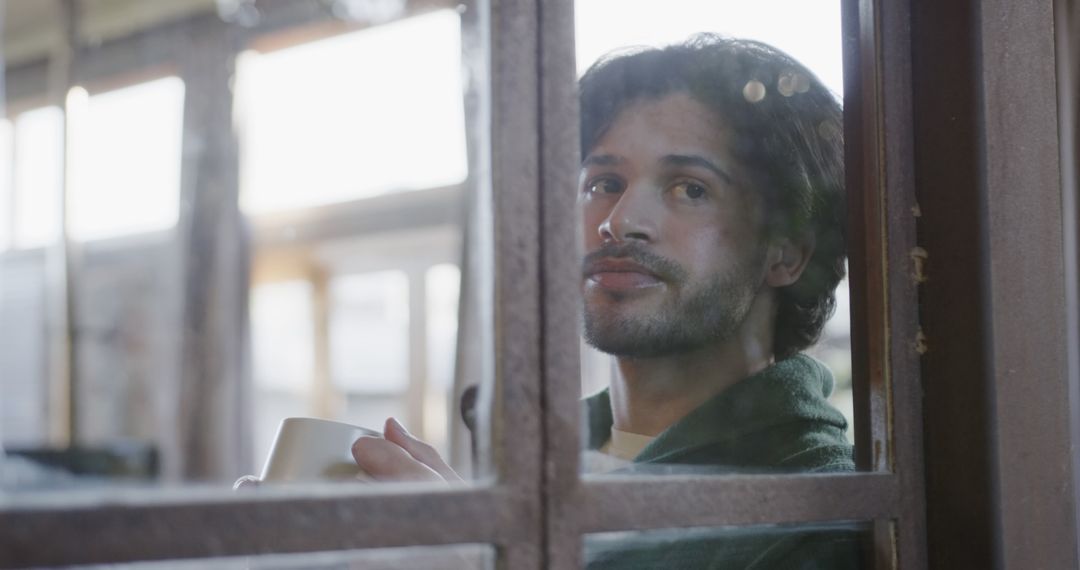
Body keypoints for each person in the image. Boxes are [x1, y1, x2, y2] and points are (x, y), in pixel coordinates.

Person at [351, 34, 860, 568]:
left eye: (689, 188)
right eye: (604, 183)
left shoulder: (822, 515)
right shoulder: (539, 464)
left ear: (787, 254)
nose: (620, 222)